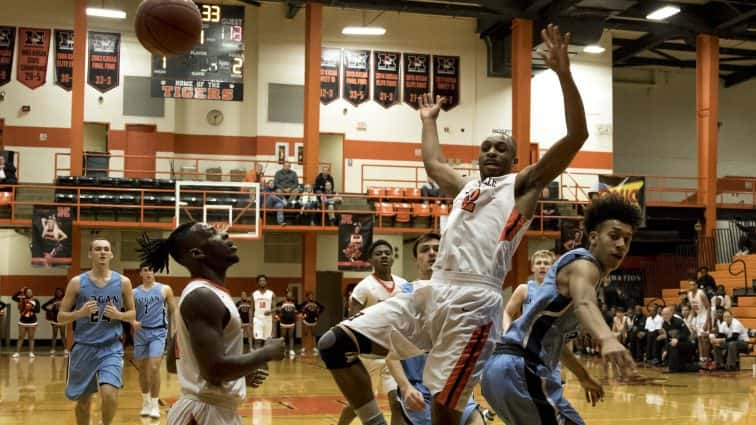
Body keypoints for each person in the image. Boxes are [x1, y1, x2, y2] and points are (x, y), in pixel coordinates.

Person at [319, 23, 589, 425]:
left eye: (502, 148)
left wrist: (564, 75)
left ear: (515, 161)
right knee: (334, 343)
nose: (492, 150)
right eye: (486, 147)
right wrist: (428, 119)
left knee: (446, 411)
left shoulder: (521, 186)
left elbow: (577, 135)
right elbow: (433, 163)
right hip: (434, 292)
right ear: (478, 157)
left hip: (474, 303)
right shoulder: (465, 187)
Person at [481, 195, 642, 425]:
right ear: (594, 238)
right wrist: (607, 338)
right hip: (521, 369)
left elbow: (556, 345)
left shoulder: (578, 277)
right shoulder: (584, 265)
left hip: (508, 371)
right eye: (614, 236)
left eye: (627, 239)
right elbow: (584, 303)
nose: (621, 245)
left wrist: (584, 377)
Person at [137, 224, 285, 425]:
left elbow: (175, 364)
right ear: (197, 253)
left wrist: (238, 375)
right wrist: (267, 353)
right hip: (203, 414)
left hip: (212, 410)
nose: (224, 234)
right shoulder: (202, 297)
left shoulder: (207, 294)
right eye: (213, 234)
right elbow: (213, 369)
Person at [386, 232, 486, 425]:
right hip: (419, 389)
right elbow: (389, 349)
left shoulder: (461, 294)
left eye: (437, 249)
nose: (432, 253)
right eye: (425, 250)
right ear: (416, 259)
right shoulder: (404, 295)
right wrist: (405, 387)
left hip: (453, 384)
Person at [57, 238, 136, 425]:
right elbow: (61, 317)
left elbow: (133, 313)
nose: (102, 252)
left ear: (111, 254)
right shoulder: (77, 282)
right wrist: (80, 312)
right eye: (98, 249)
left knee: (109, 394)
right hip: (84, 347)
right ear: (90, 253)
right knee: (84, 402)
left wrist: (119, 315)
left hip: (111, 347)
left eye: (106, 249)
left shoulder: (123, 282)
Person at [336, 240, 408, 425]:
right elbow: (353, 321)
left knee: (397, 402)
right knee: (359, 403)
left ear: (392, 257)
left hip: (394, 354)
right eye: (378, 253)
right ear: (370, 260)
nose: (384, 256)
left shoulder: (404, 285)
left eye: (387, 252)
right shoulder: (364, 287)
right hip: (369, 355)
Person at [132, 265, 177, 419]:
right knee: (143, 369)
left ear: (154, 272)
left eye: (151, 270)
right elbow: (129, 312)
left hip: (158, 332)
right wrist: (132, 321)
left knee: (154, 366)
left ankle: (154, 403)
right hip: (140, 332)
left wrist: (177, 331)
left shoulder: (165, 289)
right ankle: (145, 402)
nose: (148, 272)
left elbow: (174, 310)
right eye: (145, 270)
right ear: (140, 274)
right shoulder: (134, 292)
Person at [502, 250, 557, 333]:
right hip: (526, 338)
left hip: (550, 339)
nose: (542, 266)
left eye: (546, 263)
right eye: (538, 263)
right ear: (532, 268)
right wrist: (507, 331)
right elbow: (507, 313)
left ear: (553, 268)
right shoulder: (524, 289)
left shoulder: (559, 291)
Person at [659, 306, 696, 372]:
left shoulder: (678, 321)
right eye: (663, 314)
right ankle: (674, 366)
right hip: (676, 344)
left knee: (673, 346)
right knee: (667, 348)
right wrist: (665, 349)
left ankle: (672, 368)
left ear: (671, 314)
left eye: (667, 314)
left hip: (687, 343)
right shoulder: (664, 324)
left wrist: (677, 338)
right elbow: (668, 339)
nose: (665, 316)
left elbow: (687, 333)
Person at [11, 287, 41, 358]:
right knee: (21, 337)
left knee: (31, 337)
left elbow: (38, 310)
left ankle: (31, 352)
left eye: (31, 291)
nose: (29, 293)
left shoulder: (35, 300)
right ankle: (17, 352)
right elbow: (13, 297)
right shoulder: (21, 299)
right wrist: (19, 291)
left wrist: (31, 309)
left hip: (32, 321)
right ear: (25, 293)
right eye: (28, 292)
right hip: (23, 321)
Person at [42, 287, 67, 356]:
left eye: (60, 292)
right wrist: (51, 308)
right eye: (57, 292)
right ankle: (53, 349)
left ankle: (65, 349)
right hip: (54, 319)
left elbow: (70, 307)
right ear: (56, 293)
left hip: (62, 319)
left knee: (63, 334)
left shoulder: (64, 300)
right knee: (54, 335)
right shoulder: (53, 300)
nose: (59, 293)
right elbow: (43, 306)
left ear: (62, 293)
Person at [252, 275, 275, 350]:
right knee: (257, 340)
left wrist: (270, 311)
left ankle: (265, 360)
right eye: (260, 281)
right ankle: (257, 359)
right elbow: (251, 309)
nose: (262, 282)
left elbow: (275, 308)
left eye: (264, 280)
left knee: (267, 341)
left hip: (268, 320)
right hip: (257, 320)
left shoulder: (271, 294)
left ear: (266, 282)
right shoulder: (254, 294)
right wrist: (250, 322)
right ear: (258, 283)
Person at [276, 291, 298, 358]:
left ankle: (291, 350)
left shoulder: (294, 303)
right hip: (283, 322)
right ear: (286, 296)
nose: (290, 296)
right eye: (288, 295)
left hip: (291, 322)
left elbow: (295, 312)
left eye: (291, 295)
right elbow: (277, 310)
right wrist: (278, 317)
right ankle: (283, 350)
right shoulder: (281, 303)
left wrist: (296, 317)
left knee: (291, 336)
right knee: (283, 337)